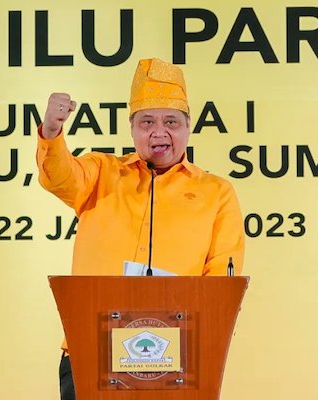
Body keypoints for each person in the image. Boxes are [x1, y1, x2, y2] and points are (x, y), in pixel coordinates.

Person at [35, 58, 245, 400]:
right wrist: (51, 132)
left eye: (171, 122)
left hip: (176, 358)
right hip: (92, 350)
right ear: (132, 129)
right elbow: (59, 177)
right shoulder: (101, 172)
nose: (158, 132)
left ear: (188, 127)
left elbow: (221, 279)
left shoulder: (215, 192)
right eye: (147, 122)